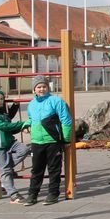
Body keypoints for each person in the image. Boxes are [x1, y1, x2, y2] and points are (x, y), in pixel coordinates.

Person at [24, 75, 72, 206]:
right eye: (38, 87)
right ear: (34, 89)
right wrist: (26, 125)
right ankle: (32, 194)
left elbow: (66, 121)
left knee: (54, 169)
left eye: (44, 86)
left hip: (53, 141)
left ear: (48, 87)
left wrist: (66, 140)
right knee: (36, 169)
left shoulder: (56, 101)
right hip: (37, 141)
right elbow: (31, 119)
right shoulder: (32, 104)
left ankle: (53, 193)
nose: (41, 89)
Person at [0, 89, 31, 204]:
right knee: (5, 171)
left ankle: (4, 169)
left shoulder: (3, 113)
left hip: (10, 142)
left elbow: (10, 127)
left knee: (24, 149)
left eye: (1, 99)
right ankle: (13, 195)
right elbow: (5, 126)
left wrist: (22, 127)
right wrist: (23, 124)